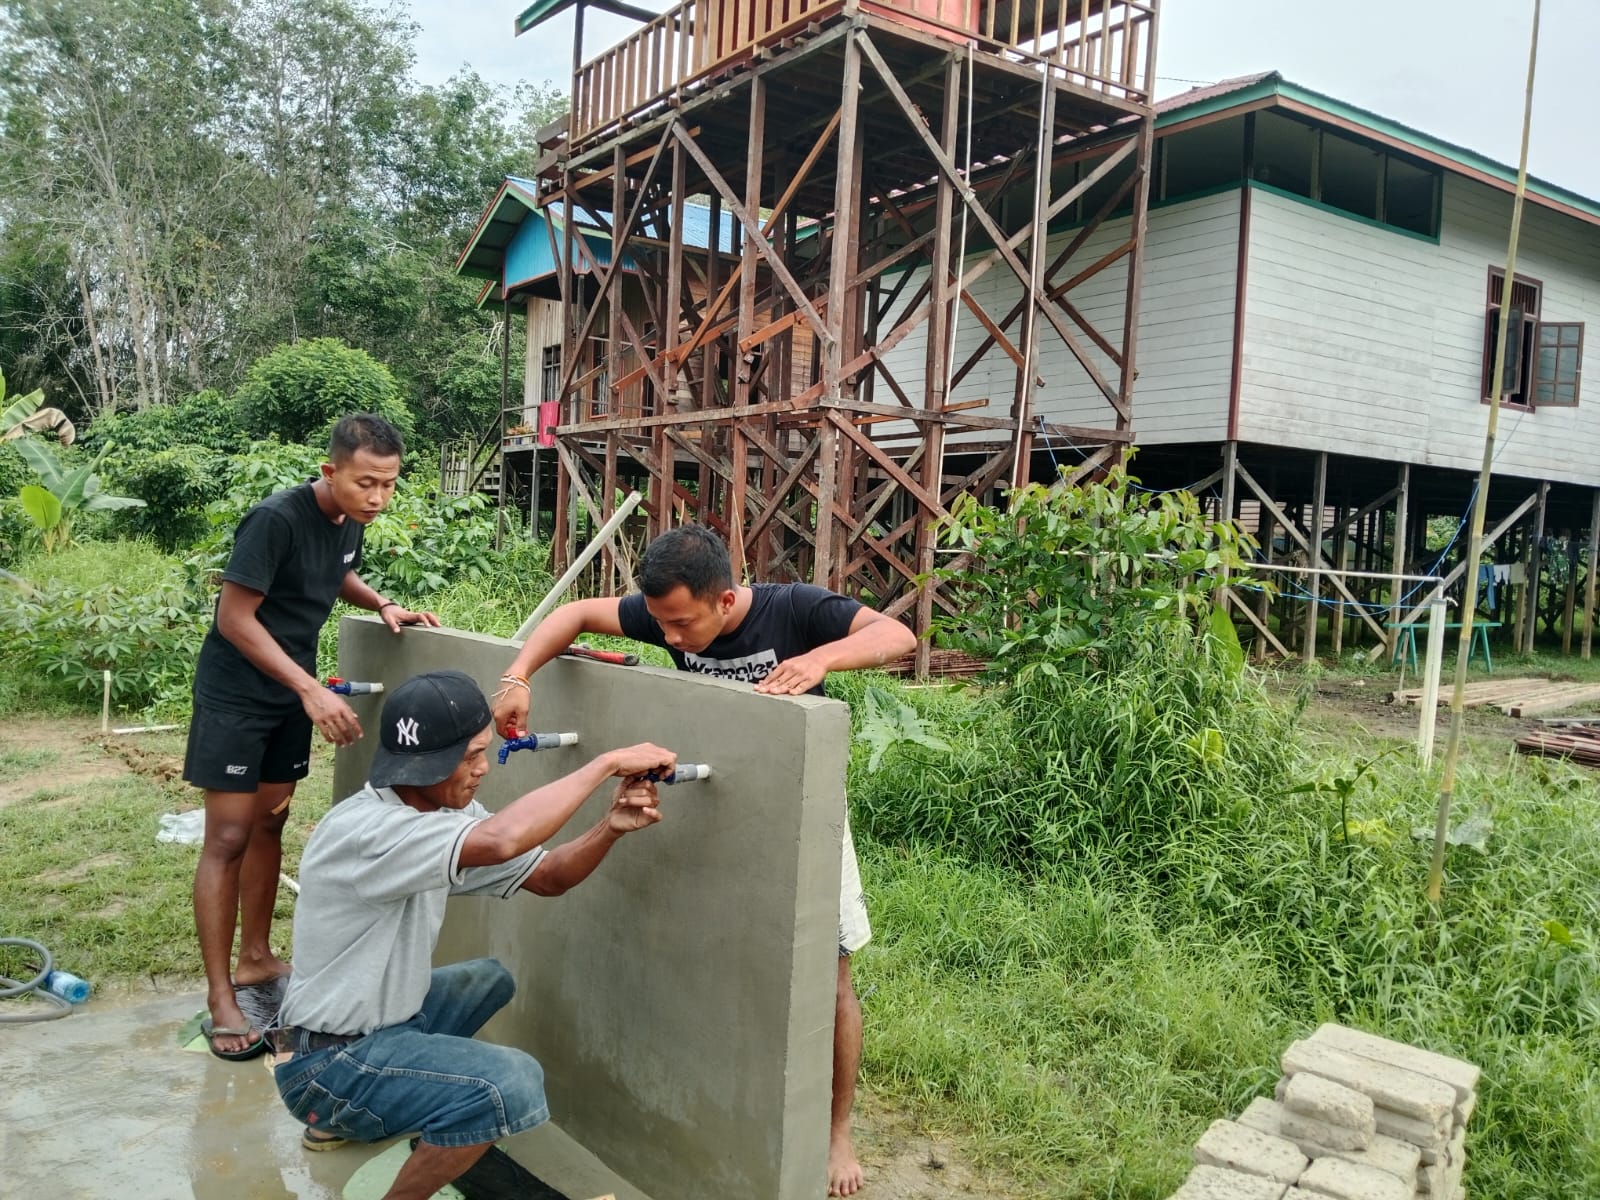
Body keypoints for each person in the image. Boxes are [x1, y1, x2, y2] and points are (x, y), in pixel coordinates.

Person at [491, 524, 917, 1197]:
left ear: (724, 600)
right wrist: (517, 676)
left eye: (683, 624)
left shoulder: (795, 608)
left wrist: (820, 661)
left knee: (830, 979)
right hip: (725, 814)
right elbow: (574, 615)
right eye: (660, 624)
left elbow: (898, 636)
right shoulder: (668, 614)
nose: (671, 638)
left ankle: (837, 1132)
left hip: (805, 816)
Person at [270, 669, 674, 1200]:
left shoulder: (439, 813)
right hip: (326, 1067)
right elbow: (505, 839)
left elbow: (548, 877)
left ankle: (361, 1115)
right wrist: (603, 764)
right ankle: (350, 1126)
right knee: (508, 1083)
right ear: (425, 764)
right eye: (471, 756)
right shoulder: (370, 830)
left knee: (488, 980)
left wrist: (610, 827)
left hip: (376, 1029)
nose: (483, 768)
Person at [183, 413, 440, 1060]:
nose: (377, 497)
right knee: (228, 839)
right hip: (238, 698)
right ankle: (220, 995)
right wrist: (309, 688)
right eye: (365, 483)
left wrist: (381, 602)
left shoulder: (349, 520)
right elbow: (234, 617)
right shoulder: (276, 519)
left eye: (388, 484)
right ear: (330, 471)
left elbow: (332, 573)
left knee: (270, 825)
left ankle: (256, 958)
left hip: (288, 692)